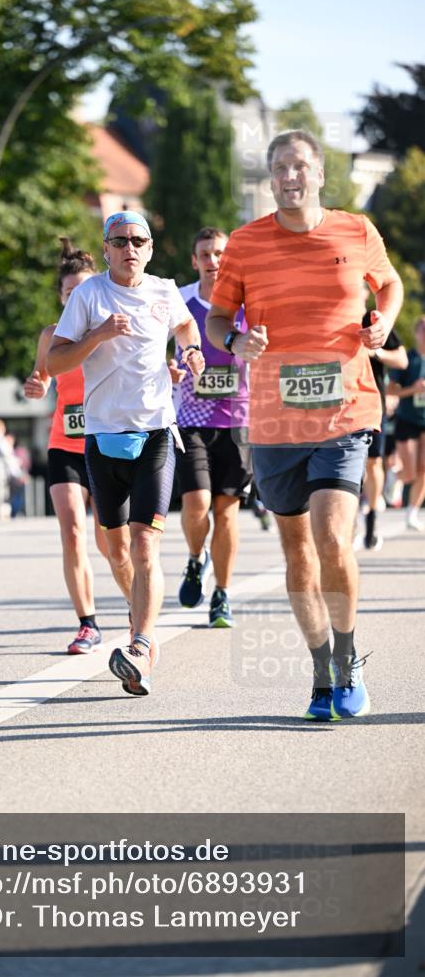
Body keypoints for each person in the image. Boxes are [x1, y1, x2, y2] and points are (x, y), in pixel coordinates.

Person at [206, 129, 403, 721]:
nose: (289, 177)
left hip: (347, 412)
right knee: (297, 555)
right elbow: (217, 318)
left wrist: (383, 321)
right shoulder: (244, 244)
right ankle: (321, 672)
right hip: (273, 423)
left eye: (299, 167)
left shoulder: (355, 231)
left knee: (332, 537)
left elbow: (389, 283)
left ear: (319, 174)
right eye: (279, 169)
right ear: (271, 179)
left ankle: (348, 659)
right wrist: (237, 340)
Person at [47, 211, 204, 696]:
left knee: (144, 543)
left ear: (150, 248)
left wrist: (191, 352)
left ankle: (141, 644)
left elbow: (186, 329)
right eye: (120, 241)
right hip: (102, 438)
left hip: (156, 432)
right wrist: (97, 336)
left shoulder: (164, 289)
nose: (129, 248)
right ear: (107, 246)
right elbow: (54, 361)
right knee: (115, 550)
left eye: (138, 240)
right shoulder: (89, 295)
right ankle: (139, 619)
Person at [23, 238, 108, 654]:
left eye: (83, 291)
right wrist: (36, 386)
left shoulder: (113, 330)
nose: (76, 298)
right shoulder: (51, 336)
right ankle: (87, 624)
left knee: (111, 540)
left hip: (108, 441)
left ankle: (136, 608)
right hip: (65, 444)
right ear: (60, 297)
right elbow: (42, 380)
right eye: (68, 292)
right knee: (73, 531)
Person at [171, 227, 252, 628]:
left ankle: (221, 594)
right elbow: (159, 352)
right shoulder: (181, 302)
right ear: (194, 260)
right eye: (205, 253)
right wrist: (168, 369)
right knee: (197, 505)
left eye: (220, 253)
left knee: (227, 512)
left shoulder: (246, 302)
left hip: (239, 421)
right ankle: (194, 558)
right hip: (191, 420)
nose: (213, 260)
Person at [358, 292, 407, 548]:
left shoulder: (372, 319)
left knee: (374, 462)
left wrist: (375, 353)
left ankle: (372, 517)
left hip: (371, 402)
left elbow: (401, 359)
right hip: (334, 406)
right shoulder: (326, 315)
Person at [386, 315, 425, 530]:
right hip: (408, 419)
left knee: (424, 470)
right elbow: (391, 390)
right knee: (410, 472)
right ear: (417, 332)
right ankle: (396, 477)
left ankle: (412, 513)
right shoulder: (407, 359)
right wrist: (414, 389)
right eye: (423, 330)